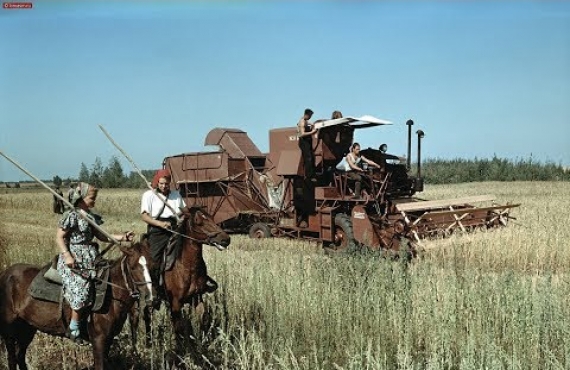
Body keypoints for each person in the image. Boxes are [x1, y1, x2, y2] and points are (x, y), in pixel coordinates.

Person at [56, 182, 134, 343]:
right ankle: (74, 325)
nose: (94, 200)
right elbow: (59, 237)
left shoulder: (89, 216)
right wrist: (67, 256)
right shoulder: (72, 216)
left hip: (92, 257)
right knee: (82, 286)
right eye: (92, 197)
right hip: (75, 258)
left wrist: (122, 237)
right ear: (81, 198)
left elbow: (102, 236)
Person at [140, 169, 186, 284]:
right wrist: (161, 224)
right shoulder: (149, 195)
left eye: (166, 183)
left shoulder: (175, 195)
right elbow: (145, 217)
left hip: (175, 227)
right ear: (157, 182)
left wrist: (181, 219)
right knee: (154, 259)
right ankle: (154, 285)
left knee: (190, 250)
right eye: (161, 183)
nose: (164, 186)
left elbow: (184, 211)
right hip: (157, 230)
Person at [297, 108, 318, 182]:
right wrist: (312, 132)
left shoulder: (306, 121)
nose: (310, 117)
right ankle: (308, 176)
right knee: (308, 158)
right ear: (307, 114)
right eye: (310, 115)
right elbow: (302, 134)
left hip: (308, 142)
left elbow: (310, 123)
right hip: (304, 142)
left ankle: (312, 174)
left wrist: (312, 125)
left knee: (312, 157)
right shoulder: (302, 122)